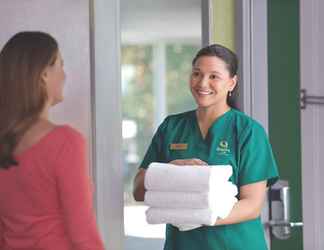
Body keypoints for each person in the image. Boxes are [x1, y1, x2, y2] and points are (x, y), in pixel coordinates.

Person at [133, 44, 279, 250]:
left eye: (214, 76)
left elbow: (252, 205)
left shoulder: (248, 131)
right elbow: (139, 190)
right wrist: (170, 171)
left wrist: (198, 217)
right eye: (197, 74)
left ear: (231, 83)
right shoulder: (171, 127)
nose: (202, 83)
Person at [0, 32, 104, 250]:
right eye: (60, 65)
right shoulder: (65, 142)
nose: (64, 75)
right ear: (44, 73)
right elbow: (83, 235)